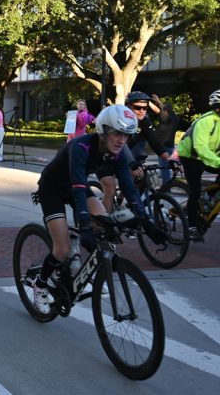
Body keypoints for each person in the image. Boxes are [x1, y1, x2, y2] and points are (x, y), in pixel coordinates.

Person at [31, 105, 162, 313]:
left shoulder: (117, 154)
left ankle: (82, 265)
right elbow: (78, 188)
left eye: (126, 135)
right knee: (61, 249)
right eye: (117, 133)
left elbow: (129, 188)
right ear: (103, 131)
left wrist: (148, 223)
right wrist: (83, 224)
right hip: (54, 188)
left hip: (79, 188)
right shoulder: (81, 146)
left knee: (103, 225)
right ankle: (40, 284)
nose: (121, 140)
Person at [97, 91, 170, 211]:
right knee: (110, 189)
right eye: (138, 107)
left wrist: (168, 159)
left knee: (141, 180)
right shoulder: (120, 120)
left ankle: (122, 202)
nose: (142, 111)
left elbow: (154, 141)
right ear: (128, 107)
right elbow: (122, 145)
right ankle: (104, 224)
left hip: (122, 158)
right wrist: (132, 164)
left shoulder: (144, 121)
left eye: (145, 108)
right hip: (106, 157)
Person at [176, 89, 220, 241]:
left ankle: (208, 197)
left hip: (208, 156)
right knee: (195, 191)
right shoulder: (207, 121)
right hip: (191, 157)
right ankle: (192, 225)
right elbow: (200, 147)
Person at [152, 96, 183, 184]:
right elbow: (158, 111)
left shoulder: (173, 119)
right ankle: (167, 184)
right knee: (165, 168)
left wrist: (158, 101)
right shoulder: (166, 120)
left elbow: (165, 111)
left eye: (163, 112)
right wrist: (150, 103)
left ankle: (166, 187)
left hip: (166, 147)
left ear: (166, 111)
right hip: (165, 147)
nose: (161, 114)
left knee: (164, 169)